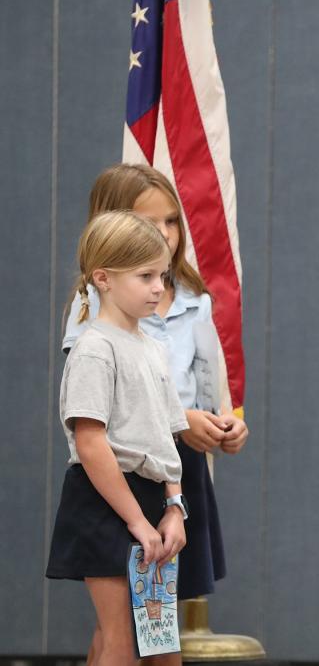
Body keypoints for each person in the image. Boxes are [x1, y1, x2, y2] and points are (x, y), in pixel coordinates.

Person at [62, 164, 248, 609]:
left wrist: (224, 423)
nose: (165, 233)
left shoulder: (193, 298)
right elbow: (101, 411)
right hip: (125, 465)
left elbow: (203, 377)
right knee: (123, 626)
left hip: (177, 470)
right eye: (150, 222)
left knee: (158, 620)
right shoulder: (94, 320)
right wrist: (180, 420)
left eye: (171, 221)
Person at [46, 211, 189, 666]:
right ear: (103, 278)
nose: (157, 287)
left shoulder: (153, 348)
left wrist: (173, 507)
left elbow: (167, 439)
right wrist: (136, 521)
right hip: (106, 501)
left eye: (162, 275)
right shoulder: (94, 348)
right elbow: (91, 443)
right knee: (121, 640)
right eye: (145, 275)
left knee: (160, 642)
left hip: (150, 502)